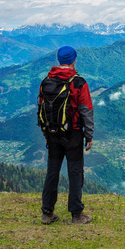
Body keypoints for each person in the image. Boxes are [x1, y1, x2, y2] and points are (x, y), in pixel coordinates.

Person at [39, 46, 94, 225]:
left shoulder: (46, 81)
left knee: (52, 173)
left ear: (59, 60)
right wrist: (89, 135)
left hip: (52, 134)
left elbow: (41, 110)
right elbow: (86, 110)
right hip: (73, 135)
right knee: (75, 173)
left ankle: (47, 213)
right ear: (74, 60)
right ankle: (76, 215)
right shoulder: (78, 82)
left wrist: (46, 133)